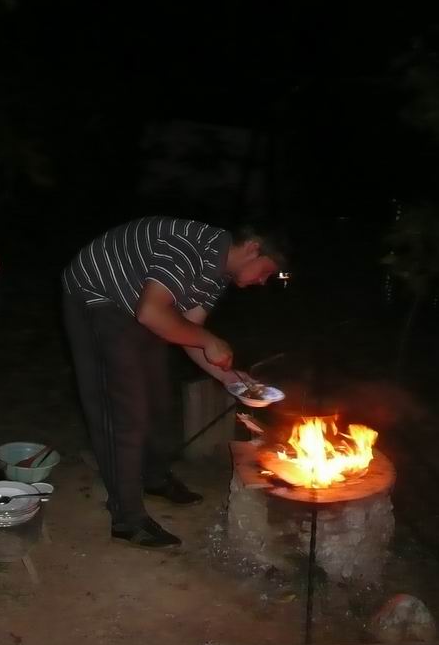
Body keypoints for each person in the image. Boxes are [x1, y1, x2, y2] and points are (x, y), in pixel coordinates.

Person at [61, 216, 289, 548]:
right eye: (266, 272)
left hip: (140, 304)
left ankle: (154, 477)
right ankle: (127, 520)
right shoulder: (189, 247)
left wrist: (230, 377)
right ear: (253, 249)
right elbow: (153, 314)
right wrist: (210, 340)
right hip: (98, 295)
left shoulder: (217, 275)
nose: (262, 281)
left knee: (157, 399)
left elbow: (187, 332)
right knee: (124, 412)